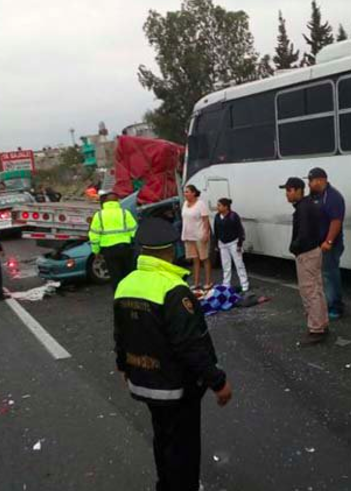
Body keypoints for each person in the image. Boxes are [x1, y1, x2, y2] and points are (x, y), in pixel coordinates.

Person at [113, 218, 232, 491]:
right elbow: (191, 345)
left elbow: (120, 334)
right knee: (184, 445)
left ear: (141, 251)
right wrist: (218, 381)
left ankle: (165, 484)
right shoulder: (174, 290)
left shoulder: (126, 284)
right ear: (170, 251)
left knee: (162, 437)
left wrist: (123, 366)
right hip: (176, 387)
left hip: (144, 381)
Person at [281, 177, 329, 344]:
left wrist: (294, 248)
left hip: (307, 254)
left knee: (310, 291)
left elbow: (303, 234)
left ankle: (316, 329)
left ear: (297, 190)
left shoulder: (303, 209)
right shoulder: (309, 205)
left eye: (288, 190)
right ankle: (322, 323)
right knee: (317, 289)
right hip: (313, 251)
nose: (286, 194)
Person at [308, 167, 346, 321]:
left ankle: (335, 307)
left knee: (330, 275)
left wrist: (328, 241)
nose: (309, 184)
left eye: (311, 181)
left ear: (320, 180)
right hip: (319, 243)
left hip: (329, 244)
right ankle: (329, 303)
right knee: (325, 275)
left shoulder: (332, 197)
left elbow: (336, 221)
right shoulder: (318, 196)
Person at [89, 191, 138, 290]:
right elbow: (134, 231)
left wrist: (95, 251)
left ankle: (118, 296)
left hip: (108, 250)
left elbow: (94, 235)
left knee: (115, 275)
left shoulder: (99, 215)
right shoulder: (125, 213)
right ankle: (130, 294)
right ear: (117, 201)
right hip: (125, 248)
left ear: (105, 202)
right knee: (128, 273)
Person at [213, 198, 249, 292]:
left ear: (226, 207)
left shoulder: (234, 216)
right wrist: (216, 243)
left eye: (219, 205)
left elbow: (239, 230)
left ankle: (244, 283)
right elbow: (216, 230)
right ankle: (226, 284)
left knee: (239, 264)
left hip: (234, 242)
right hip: (222, 243)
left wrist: (239, 244)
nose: (217, 207)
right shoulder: (217, 216)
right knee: (225, 265)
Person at [181, 184, 212, 290]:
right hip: (189, 236)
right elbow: (185, 220)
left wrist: (206, 233)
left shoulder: (200, 204)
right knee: (195, 260)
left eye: (187, 192)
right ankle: (196, 282)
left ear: (193, 193)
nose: (185, 194)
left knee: (204, 258)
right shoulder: (185, 204)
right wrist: (184, 235)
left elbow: (205, 220)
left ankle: (208, 281)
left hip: (199, 235)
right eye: (185, 192)